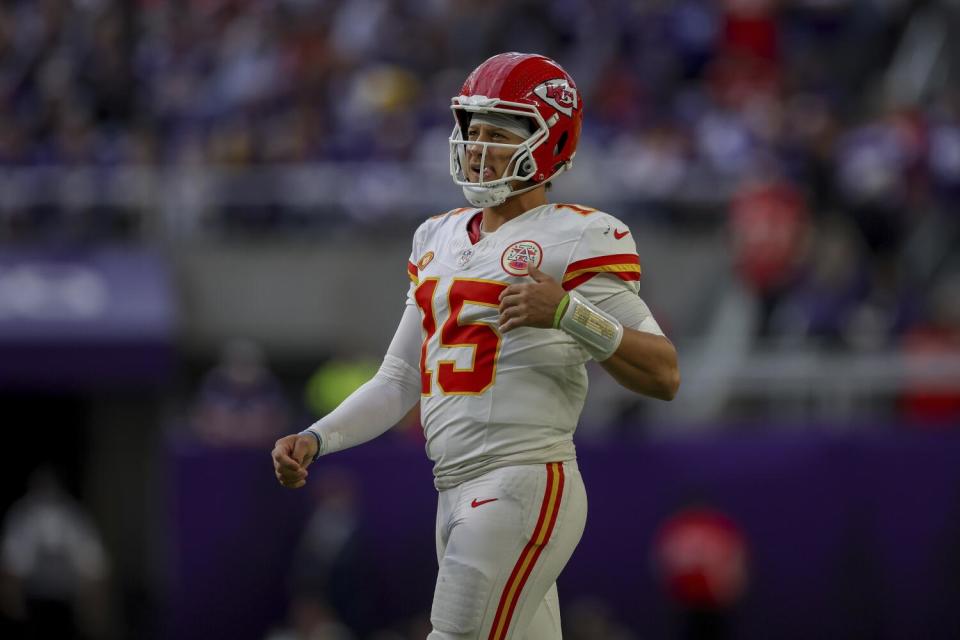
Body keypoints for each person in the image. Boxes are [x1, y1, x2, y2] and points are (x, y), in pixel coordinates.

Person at [272, 52, 680, 639]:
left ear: (550, 141)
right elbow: (398, 380)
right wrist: (317, 437)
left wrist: (567, 312)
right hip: (453, 486)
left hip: (523, 476)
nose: (478, 146)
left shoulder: (580, 235)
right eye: (473, 130)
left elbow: (664, 373)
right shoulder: (437, 237)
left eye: (499, 133)